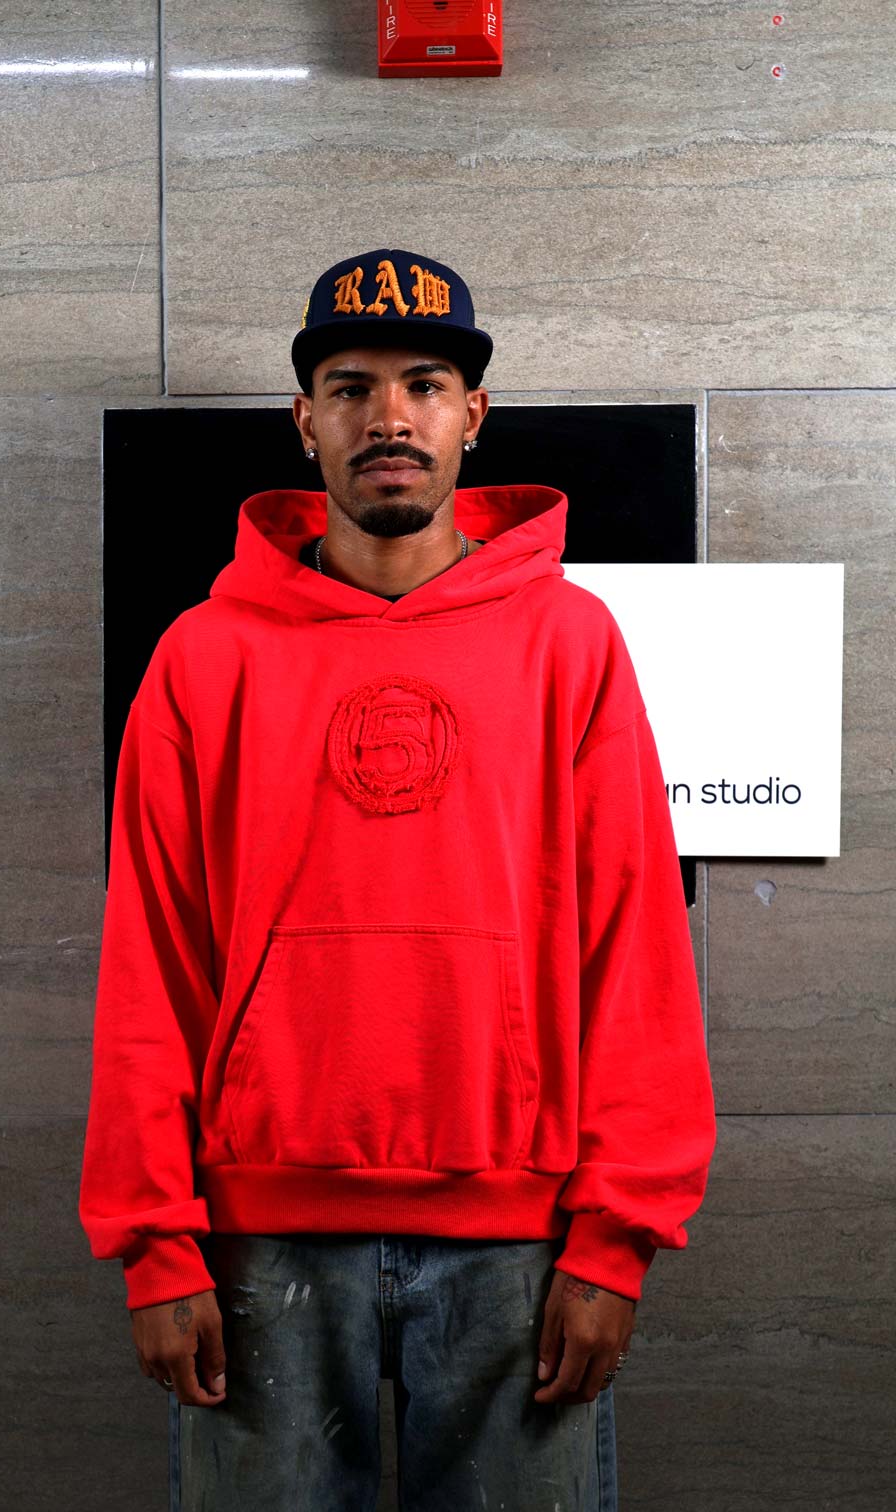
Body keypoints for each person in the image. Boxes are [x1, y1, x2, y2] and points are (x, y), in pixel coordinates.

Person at [78, 248, 718, 1510]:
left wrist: (616, 1237)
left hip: (522, 1239)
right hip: (255, 1234)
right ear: (303, 417)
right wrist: (156, 1242)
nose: (388, 417)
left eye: (425, 384)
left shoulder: (569, 645)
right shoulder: (204, 659)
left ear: (471, 417)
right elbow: (149, 957)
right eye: (350, 383)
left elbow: (633, 947)